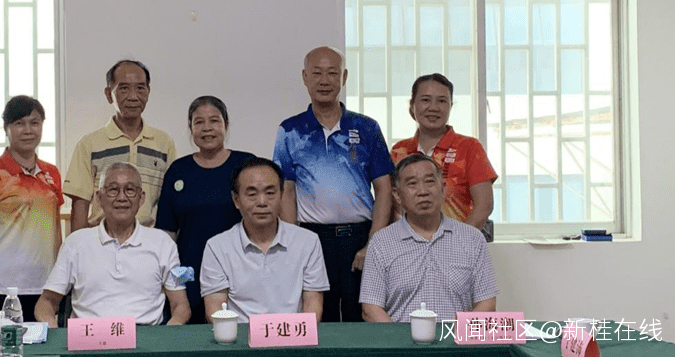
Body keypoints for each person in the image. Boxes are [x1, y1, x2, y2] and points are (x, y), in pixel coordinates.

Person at [273, 46, 395, 323]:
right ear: (305, 77)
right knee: (317, 316)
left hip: (360, 236)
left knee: (362, 315)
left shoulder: (367, 128)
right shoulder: (290, 130)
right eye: (317, 73)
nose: (324, 81)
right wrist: (295, 241)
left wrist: (373, 242)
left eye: (332, 73)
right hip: (313, 237)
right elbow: (286, 190)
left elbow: (384, 188)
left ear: (344, 77)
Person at [35, 162, 191, 326]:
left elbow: (181, 305)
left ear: (141, 198)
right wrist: (53, 328)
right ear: (99, 197)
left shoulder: (163, 243)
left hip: (146, 337)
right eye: (113, 190)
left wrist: (169, 333)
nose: (121, 197)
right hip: (89, 337)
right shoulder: (75, 243)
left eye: (130, 190)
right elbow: (46, 303)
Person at [360, 154, 498, 322]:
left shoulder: (472, 239)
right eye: (412, 184)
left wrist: (457, 334)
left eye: (430, 182)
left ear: (443, 189)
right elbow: (371, 308)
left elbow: (487, 303)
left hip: (454, 337)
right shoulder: (381, 242)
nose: (423, 191)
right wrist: (400, 337)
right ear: (397, 195)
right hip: (401, 337)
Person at [155, 96, 257, 323]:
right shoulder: (178, 170)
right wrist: (168, 279)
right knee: (188, 331)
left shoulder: (246, 165)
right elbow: (167, 233)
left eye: (214, 120)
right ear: (190, 128)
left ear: (226, 125)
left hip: (239, 270)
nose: (207, 128)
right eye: (199, 122)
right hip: (188, 272)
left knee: (234, 330)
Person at [0, 95, 63, 322]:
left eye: (34, 123)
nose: (28, 130)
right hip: (3, 290)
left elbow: (56, 231)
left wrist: (60, 283)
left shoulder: (51, 173)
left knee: (46, 344)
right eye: (19, 123)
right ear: (6, 129)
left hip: (45, 290)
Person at [200, 158, 328, 323]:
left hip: (292, 335)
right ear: (236, 199)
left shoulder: (308, 242)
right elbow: (215, 311)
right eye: (252, 194)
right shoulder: (217, 247)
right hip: (240, 336)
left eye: (270, 193)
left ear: (281, 195)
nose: (262, 202)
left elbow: (313, 306)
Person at [63, 60, 177, 231]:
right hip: (101, 239)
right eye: (124, 88)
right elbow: (80, 203)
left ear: (148, 91)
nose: (133, 96)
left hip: (148, 240)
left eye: (140, 88)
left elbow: (169, 203)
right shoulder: (89, 144)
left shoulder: (163, 143)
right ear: (109, 94)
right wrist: (78, 245)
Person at [390, 73, 497, 233]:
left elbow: (484, 206)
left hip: (458, 243)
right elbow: (391, 205)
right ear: (412, 105)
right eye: (425, 100)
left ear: (450, 106)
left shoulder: (469, 147)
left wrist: (458, 241)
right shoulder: (399, 151)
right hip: (407, 244)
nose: (433, 107)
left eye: (442, 101)